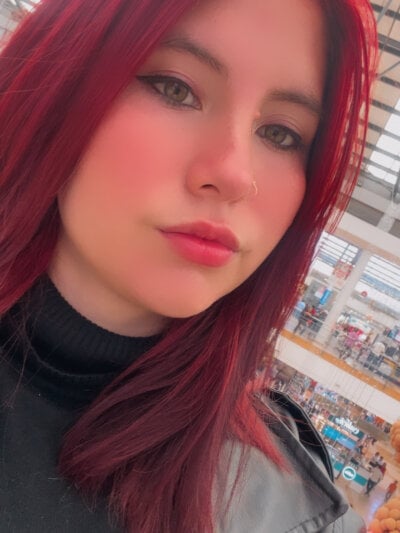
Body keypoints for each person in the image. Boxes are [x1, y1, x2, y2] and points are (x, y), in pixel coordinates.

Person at [0, 0, 377, 532]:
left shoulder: (295, 514)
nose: (235, 175)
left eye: (281, 134)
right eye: (175, 88)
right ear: (60, 87)